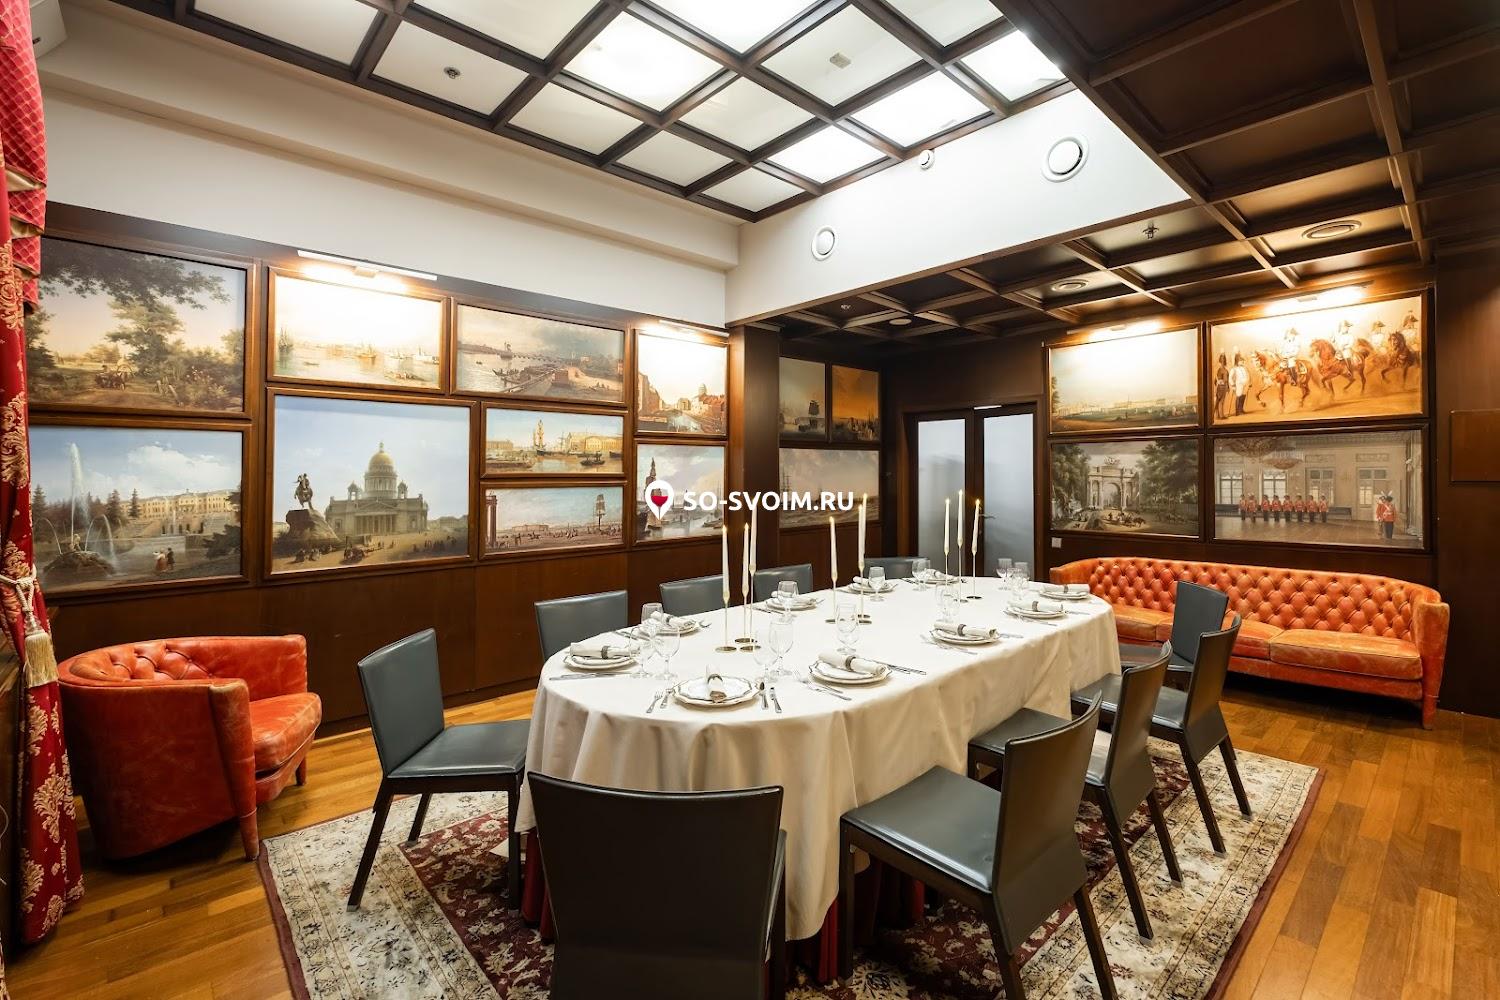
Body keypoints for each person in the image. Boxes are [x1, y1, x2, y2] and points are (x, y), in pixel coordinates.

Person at [1213, 354, 1230, 420]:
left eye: (1223, 362)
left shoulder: (1225, 370)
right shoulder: (1220, 370)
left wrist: (1227, 387)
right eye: (1222, 362)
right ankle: (1217, 416)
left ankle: (1220, 415)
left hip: (1223, 387)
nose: (1222, 363)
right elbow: (1217, 380)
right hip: (1220, 387)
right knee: (1218, 402)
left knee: (1220, 402)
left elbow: (1226, 380)